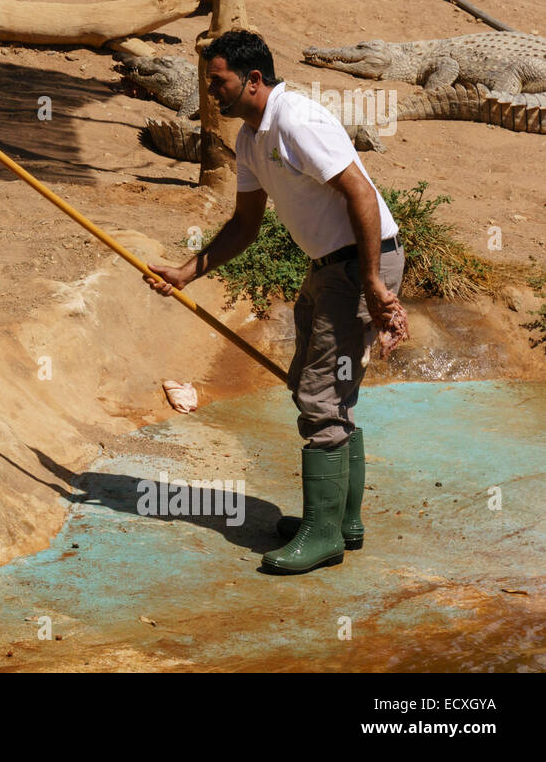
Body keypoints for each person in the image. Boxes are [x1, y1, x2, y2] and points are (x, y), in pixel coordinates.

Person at [144, 30, 408, 575]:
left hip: (359, 263)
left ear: (254, 80)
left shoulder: (296, 120)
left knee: (319, 396)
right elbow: (245, 224)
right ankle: (341, 522)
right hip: (329, 266)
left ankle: (323, 535)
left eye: (219, 81)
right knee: (325, 390)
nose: (211, 92)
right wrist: (187, 273)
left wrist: (372, 283)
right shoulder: (248, 139)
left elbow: (359, 191)